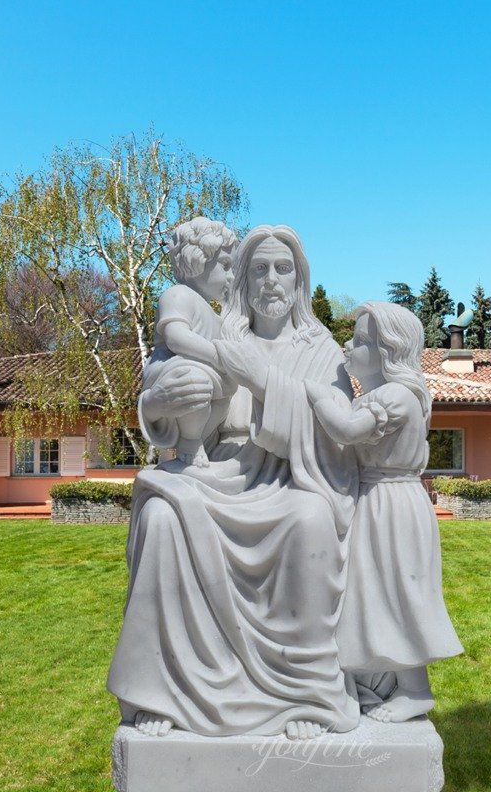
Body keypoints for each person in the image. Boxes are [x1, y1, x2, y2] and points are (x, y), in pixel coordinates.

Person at [108, 224, 360, 741]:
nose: (271, 281)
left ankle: (305, 689)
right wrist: (157, 404)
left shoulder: (323, 350)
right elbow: (165, 393)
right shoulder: (218, 334)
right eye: (258, 269)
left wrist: (264, 380)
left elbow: (338, 439)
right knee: (161, 516)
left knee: (310, 521)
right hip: (218, 468)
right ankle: (166, 687)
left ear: (300, 281)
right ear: (241, 278)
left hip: (293, 476)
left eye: (282, 269)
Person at [305, 301, 463, 723]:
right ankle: (377, 680)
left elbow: (348, 430)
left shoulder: (396, 395)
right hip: (375, 500)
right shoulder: (378, 394)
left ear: (387, 351)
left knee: (398, 593)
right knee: (368, 592)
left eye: (357, 341)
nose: (347, 345)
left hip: (393, 504)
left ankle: (415, 690)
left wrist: (319, 396)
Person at [149, 217, 238, 469]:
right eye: (225, 265)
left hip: (207, 372)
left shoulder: (216, 314)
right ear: (197, 260)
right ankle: (189, 442)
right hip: (173, 369)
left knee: (225, 389)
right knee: (194, 381)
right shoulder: (178, 295)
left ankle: (197, 438)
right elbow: (176, 337)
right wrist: (217, 355)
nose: (231, 276)